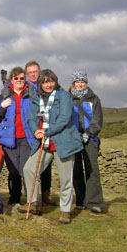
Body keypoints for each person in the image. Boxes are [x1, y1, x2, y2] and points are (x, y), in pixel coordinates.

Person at [20, 69, 83, 224]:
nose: (48, 85)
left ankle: (65, 211)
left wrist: (47, 131)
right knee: (29, 169)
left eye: (51, 81)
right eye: (45, 82)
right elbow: (31, 118)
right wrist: (36, 130)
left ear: (55, 81)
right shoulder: (37, 99)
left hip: (63, 141)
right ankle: (33, 202)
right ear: (40, 84)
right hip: (44, 142)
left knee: (65, 178)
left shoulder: (64, 96)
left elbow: (64, 118)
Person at [0, 67, 34, 205]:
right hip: (8, 139)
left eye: (21, 78)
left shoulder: (31, 94)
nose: (19, 80)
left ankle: (30, 200)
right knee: (13, 171)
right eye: (16, 78)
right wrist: (2, 106)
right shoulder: (4, 94)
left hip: (27, 138)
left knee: (25, 170)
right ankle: (14, 198)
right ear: (11, 80)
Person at [69, 71, 104, 213]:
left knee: (92, 170)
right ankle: (81, 201)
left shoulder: (94, 98)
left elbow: (97, 119)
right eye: (77, 81)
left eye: (82, 81)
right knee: (76, 170)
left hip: (91, 139)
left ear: (86, 83)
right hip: (74, 138)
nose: (80, 84)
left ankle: (94, 202)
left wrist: (89, 133)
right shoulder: (68, 98)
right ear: (73, 83)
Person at [25, 61, 56, 206]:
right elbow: (29, 116)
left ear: (40, 71)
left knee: (46, 169)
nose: (33, 74)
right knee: (32, 167)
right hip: (32, 132)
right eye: (30, 72)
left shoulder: (50, 89)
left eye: (35, 71)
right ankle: (33, 199)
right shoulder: (25, 88)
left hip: (49, 134)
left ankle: (45, 195)